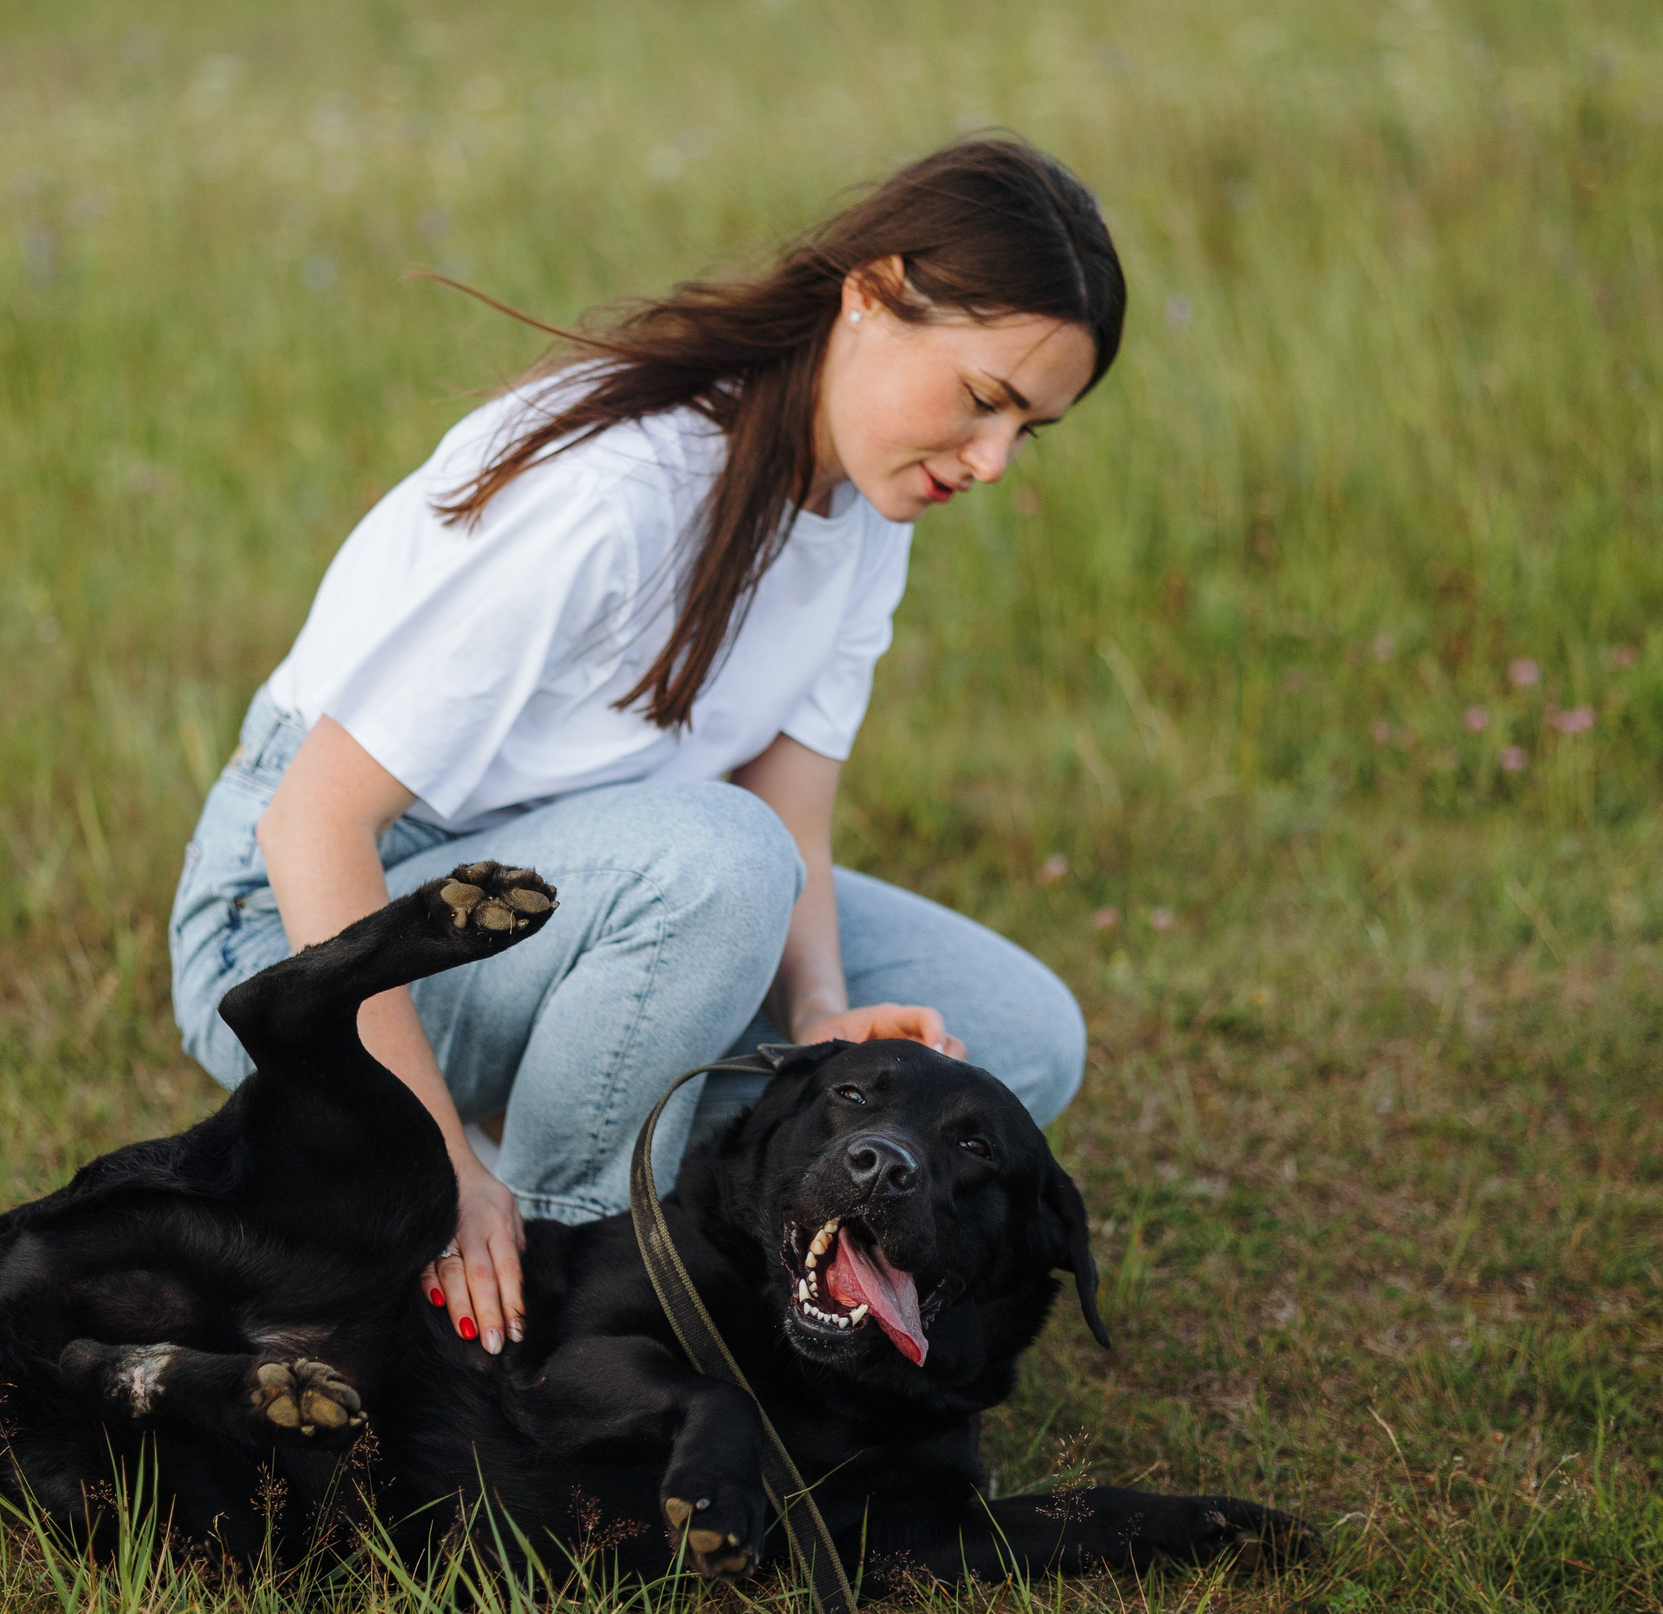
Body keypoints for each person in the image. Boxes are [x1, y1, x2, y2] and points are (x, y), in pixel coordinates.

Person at [169, 135, 1125, 1359]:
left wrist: (825, 1014)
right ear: (872, 293)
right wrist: (432, 1168)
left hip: (579, 894)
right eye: (983, 399)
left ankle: (640, 1201)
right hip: (295, 938)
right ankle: (572, 1305)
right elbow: (310, 828)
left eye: (1026, 431)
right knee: (718, 861)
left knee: (1019, 1034)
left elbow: (795, 813)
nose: (991, 462)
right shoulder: (614, 495)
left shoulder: (869, 499)